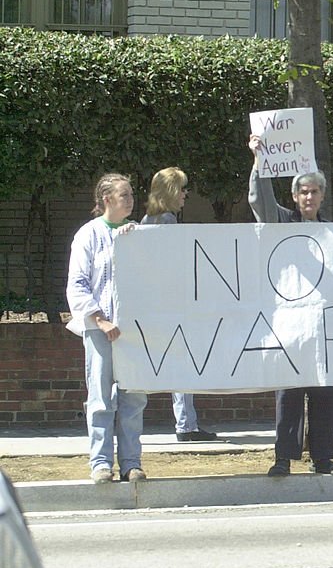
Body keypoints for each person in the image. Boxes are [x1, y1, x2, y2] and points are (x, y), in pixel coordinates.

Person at [248, 134, 333, 477]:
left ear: (322, 196)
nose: (309, 196)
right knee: (289, 392)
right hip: (290, 323)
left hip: (323, 325)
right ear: (294, 197)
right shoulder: (281, 222)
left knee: (323, 392)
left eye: (314, 191)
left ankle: (323, 458)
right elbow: (259, 200)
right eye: (303, 192)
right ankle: (283, 458)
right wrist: (258, 160)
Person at [66, 174, 148, 483]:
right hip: (100, 331)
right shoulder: (88, 235)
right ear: (107, 200)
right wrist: (100, 319)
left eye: (130, 194)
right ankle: (100, 462)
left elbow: (153, 277)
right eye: (124, 195)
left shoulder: (137, 232)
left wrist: (136, 242)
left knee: (133, 397)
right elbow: (77, 284)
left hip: (132, 332)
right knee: (101, 397)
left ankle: (131, 462)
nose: (130, 200)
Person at [140, 167, 219, 443]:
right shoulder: (166, 221)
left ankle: (187, 423)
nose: (186, 194)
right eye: (183, 188)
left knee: (150, 363)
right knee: (180, 362)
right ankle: (186, 425)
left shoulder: (148, 219)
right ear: (172, 191)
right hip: (169, 305)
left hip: (155, 304)